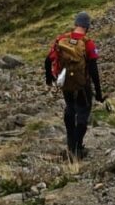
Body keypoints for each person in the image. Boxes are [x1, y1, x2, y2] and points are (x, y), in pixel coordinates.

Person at [45, 11, 105, 160]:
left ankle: (71, 145)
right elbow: (93, 69)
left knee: (70, 109)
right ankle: (77, 146)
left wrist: (49, 78)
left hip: (65, 83)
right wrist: (98, 92)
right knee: (83, 114)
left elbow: (48, 60)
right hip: (82, 85)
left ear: (76, 24)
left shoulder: (61, 39)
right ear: (87, 26)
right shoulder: (88, 43)